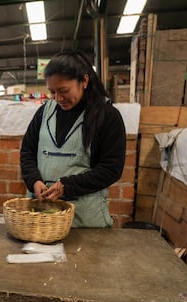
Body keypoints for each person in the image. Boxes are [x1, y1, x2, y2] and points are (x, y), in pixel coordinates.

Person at [20, 50, 126, 228]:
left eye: (63, 91)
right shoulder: (44, 113)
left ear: (84, 81)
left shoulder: (106, 116)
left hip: (85, 220)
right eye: (52, 92)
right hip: (43, 216)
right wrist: (34, 181)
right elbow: (27, 152)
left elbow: (111, 168)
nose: (58, 98)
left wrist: (67, 186)